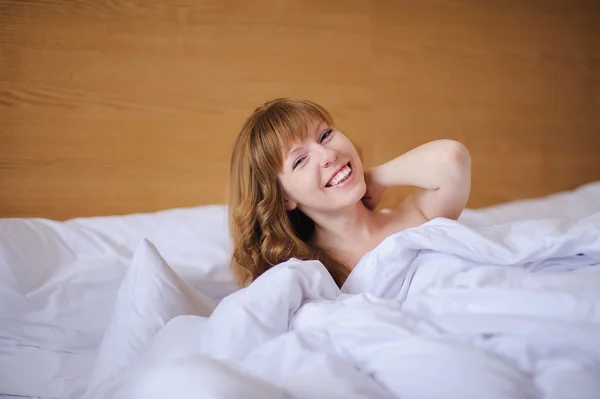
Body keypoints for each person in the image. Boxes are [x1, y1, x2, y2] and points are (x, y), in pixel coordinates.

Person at [227, 98, 471, 288]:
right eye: (300, 160)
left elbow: (451, 159)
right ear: (284, 198)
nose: (328, 155)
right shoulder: (306, 273)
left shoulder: (417, 219)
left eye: (325, 135)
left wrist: (376, 178)